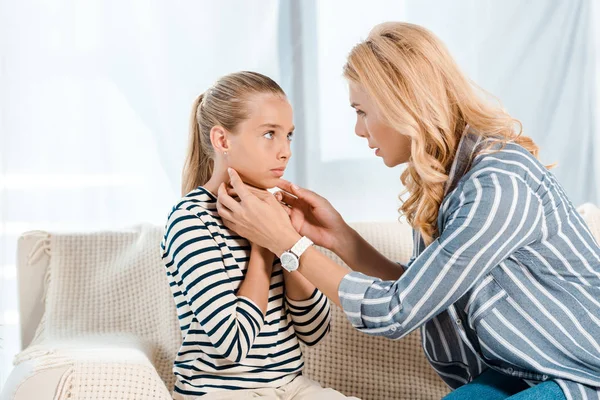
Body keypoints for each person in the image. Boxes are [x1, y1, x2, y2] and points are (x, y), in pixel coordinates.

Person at [215, 23, 600, 399]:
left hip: (581, 376)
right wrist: (341, 239)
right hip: (526, 372)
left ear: (401, 105)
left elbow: (397, 311)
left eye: (361, 110)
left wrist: (290, 245)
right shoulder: (447, 180)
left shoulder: (497, 186)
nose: (358, 130)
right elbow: (425, 289)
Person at [161, 71, 358, 399]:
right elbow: (233, 344)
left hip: (289, 387)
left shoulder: (278, 212)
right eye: (270, 134)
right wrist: (264, 248)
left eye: (289, 136)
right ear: (222, 140)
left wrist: (287, 241)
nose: (286, 152)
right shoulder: (191, 221)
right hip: (220, 393)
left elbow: (315, 330)